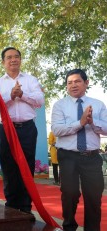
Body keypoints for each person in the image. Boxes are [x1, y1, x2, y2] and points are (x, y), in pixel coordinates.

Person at [51, 68, 106, 231]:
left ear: (86, 83)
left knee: (94, 196)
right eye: (69, 83)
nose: (73, 85)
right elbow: (57, 130)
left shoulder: (98, 104)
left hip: (92, 157)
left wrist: (92, 122)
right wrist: (80, 123)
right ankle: (69, 226)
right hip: (68, 156)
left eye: (77, 81)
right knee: (70, 194)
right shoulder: (60, 105)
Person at [0, 47, 45, 215]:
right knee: (8, 168)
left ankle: (25, 207)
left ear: (20, 60)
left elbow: (39, 101)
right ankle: (12, 206)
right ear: (3, 62)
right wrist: (10, 94)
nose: (13, 60)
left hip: (27, 129)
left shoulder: (31, 80)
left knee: (27, 167)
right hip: (6, 129)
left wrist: (22, 94)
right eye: (9, 57)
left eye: (16, 57)